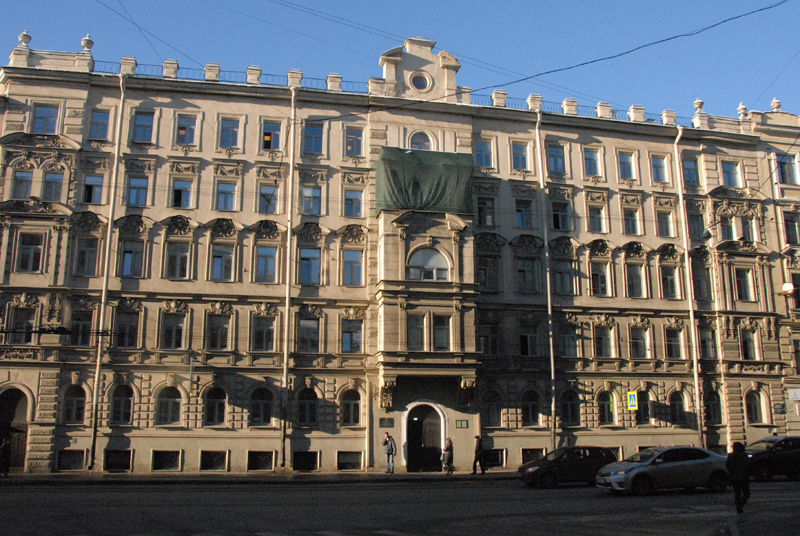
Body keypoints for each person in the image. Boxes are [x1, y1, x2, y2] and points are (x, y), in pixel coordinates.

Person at [726, 441, 751, 514]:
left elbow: (728, 466)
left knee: (737, 493)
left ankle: (738, 507)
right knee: (746, 493)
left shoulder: (731, 456)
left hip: (734, 478)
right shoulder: (743, 456)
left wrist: (731, 473)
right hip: (743, 477)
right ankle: (740, 505)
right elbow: (748, 465)